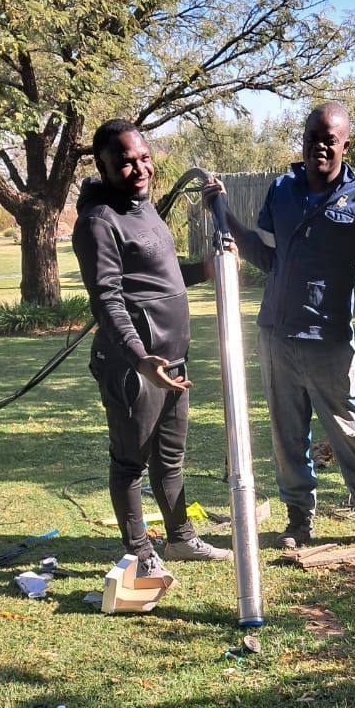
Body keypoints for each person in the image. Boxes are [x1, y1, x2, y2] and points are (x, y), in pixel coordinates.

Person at [204, 102, 355, 552]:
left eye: (329, 138)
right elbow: (265, 255)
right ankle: (298, 520)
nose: (319, 146)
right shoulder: (282, 191)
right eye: (311, 137)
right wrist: (223, 212)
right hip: (276, 338)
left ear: (345, 144)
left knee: (351, 433)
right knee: (287, 436)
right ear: (302, 140)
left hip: (330, 345)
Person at [73, 119, 231, 576]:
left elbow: (161, 275)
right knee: (130, 462)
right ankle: (140, 551)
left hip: (172, 359)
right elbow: (107, 299)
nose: (138, 169)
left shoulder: (144, 210)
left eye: (143, 158)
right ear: (102, 165)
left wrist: (208, 268)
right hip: (134, 365)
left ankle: (181, 539)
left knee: (171, 456)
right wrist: (140, 359)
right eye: (124, 161)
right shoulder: (98, 222)